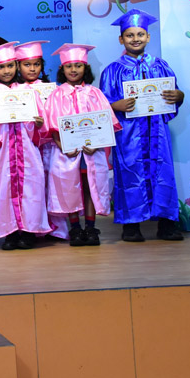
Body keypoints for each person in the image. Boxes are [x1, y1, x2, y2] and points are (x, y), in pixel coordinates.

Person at [100, 9, 184, 242]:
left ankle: (167, 224)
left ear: (148, 37)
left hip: (157, 132)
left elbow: (174, 94)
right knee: (130, 174)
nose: (135, 39)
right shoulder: (113, 70)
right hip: (129, 134)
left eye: (140, 34)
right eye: (130, 35)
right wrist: (115, 105)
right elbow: (102, 104)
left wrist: (179, 96)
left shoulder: (161, 66)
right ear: (121, 39)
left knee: (163, 173)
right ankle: (131, 225)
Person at [0, 42, 51, 249]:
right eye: (1, 67)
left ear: (16, 65)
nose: (6, 71)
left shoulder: (28, 92)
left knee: (31, 189)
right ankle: (9, 233)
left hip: (28, 151)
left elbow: (42, 126)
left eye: (10, 66)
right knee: (1, 189)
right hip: (1, 153)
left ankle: (29, 231)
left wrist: (39, 124)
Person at [45, 44, 121, 247]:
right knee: (70, 188)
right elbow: (51, 125)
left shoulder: (95, 93)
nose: (73, 70)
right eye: (69, 66)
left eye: (78, 65)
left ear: (85, 67)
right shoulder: (56, 95)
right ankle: (75, 229)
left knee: (90, 188)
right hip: (66, 153)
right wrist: (62, 145)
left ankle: (90, 227)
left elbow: (106, 123)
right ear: (62, 69)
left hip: (91, 152)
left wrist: (96, 144)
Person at [14, 40, 69, 241]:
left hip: (50, 146)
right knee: (30, 187)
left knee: (52, 185)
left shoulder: (51, 89)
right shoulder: (13, 90)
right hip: (26, 146)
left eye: (36, 64)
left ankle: (56, 228)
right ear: (18, 66)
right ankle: (30, 226)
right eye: (27, 64)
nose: (32, 69)